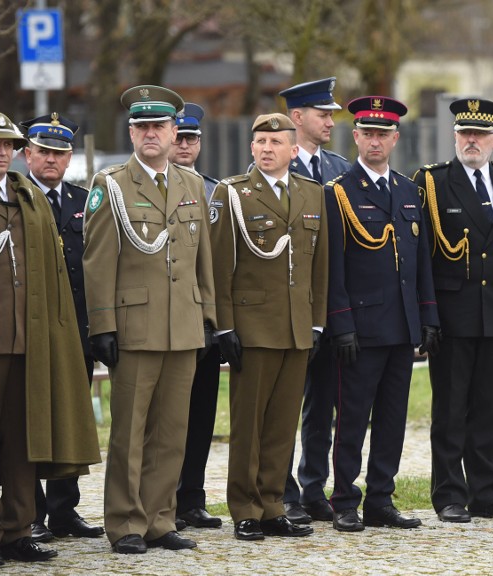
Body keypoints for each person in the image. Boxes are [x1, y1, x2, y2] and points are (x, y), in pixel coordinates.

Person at [83, 85, 216, 554]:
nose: (151, 134)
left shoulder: (191, 184)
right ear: (132, 132)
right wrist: (102, 327)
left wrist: (208, 317)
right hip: (135, 327)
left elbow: (203, 260)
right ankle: (125, 523)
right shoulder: (112, 185)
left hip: (182, 324)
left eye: (159, 126)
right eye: (141, 127)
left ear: (174, 130)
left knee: (171, 431)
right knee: (130, 433)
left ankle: (161, 518)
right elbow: (98, 261)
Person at [0, 111, 100, 567]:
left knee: (26, 437)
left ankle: (18, 530)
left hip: (31, 336)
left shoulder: (28, 197)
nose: (2, 151)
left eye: (8, 144)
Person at [210, 113, 327, 542]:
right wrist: (224, 327)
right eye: (260, 141)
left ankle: (273, 504)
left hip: (297, 327)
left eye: (276, 142)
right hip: (253, 325)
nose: (266, 148)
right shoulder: (233, 194)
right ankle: (244, 507)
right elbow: (220, 264)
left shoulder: (312, 194)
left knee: (282, 425)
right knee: (249, 425)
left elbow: (320, 265)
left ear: (293, 150)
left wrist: (317, 322)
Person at [413, 98, 493, 523]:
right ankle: (448, 494)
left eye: (480, 135)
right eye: (465, 134)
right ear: (455, 137)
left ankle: (485, 493)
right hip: (452, 314)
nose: (472, 141)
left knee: (487, 410)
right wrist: (426, 316)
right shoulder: (433, 182)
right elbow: (421, 256)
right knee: (450, 411)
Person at [326, 96, 439, 532]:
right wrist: (341, 323)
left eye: (382, 134)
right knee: (352, 418)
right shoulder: (339, 192)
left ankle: (381, 499)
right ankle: (344, 501)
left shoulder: (409, 192)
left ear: (395, 138)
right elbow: (334, 266)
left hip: (401, 326)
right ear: (355, 137)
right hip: (360, 326)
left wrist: (427, 317)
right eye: (367, 133)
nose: (375, 141)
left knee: (392, 419)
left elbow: (421, 261)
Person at [20, 113, 106, 542]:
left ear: (70, 156)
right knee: (34, 420)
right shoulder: (17, 199)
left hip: (77, 328)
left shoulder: (82, 200)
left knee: (72, 419)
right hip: (33, 331)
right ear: (27, 154)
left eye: (59, 153)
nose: (51, 160)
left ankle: (64, 511)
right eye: (43, 152)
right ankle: (31, 511)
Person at [278, 77, 350, 525]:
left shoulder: (340, 168)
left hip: (329, 304)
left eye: (332, 115)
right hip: (287, 305)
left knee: (323, 402)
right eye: (323, 114)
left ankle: (313, 487)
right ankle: (282, 491)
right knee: (285, 402)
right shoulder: (277, 167)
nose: (330, 122)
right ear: (297, 118)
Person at [171, 102, 223, 531]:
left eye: (191, 138)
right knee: (166, 415)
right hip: (167, 317)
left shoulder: (216, 191)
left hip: (206, 318)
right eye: (180, 137)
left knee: (202, 412)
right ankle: (161, 498)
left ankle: (192, 496)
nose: (185, 145)